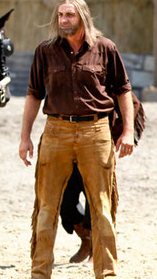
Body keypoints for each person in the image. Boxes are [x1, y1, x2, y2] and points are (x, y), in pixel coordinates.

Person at [18, 0, 134, 279]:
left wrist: (127, 131)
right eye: (60, 15)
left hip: (96, 131)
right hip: (56, 130)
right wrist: (25, 137)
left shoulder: (105, 48)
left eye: (69, 15)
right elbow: (33, 94)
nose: (63, 20)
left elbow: (123, 91)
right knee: (46, 206)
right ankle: (40, 274)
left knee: (102, 204)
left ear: (82, 18)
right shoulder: (45, 51)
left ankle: (107, 274)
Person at [59, 92, 145, 264]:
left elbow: (133, 102)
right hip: (69, 143)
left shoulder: (103, 71)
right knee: (64, 198)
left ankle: (96, 251)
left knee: (96, 198)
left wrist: (117, 133)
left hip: (98, 145)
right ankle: (86, 239)